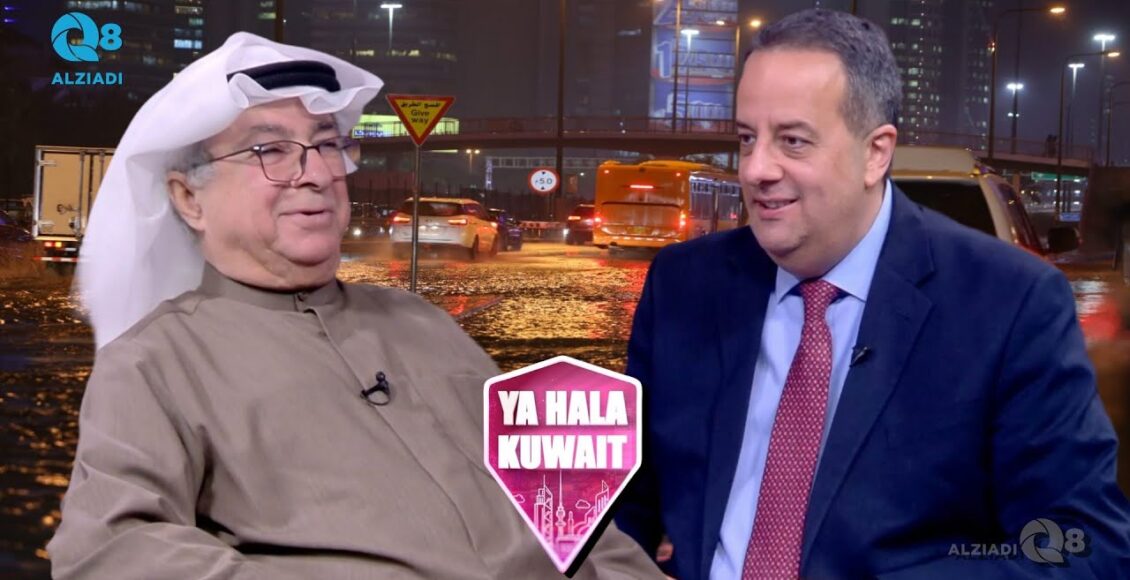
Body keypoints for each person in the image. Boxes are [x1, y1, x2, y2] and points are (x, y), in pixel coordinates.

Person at [48, 33, 663, 579]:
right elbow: (111, 550)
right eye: (270, 151)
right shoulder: (156, 363)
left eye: (326, 145)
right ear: (189, 198)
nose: (315, 173)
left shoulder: (423, 321)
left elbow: (569, 515)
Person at [614, 9, 1130, 579]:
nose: (756, 169)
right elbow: (623, 503)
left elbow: (1084, 545)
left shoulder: (1010, 302)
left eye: (792, 141)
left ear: (876, 153)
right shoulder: (684, 283)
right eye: (746, 139)